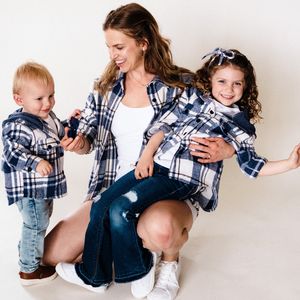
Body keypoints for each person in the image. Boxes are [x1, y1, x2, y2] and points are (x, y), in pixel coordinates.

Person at [54, 48, 300, 299]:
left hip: (183, 178)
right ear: (210, 81)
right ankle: (95, 276)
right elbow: (163, 125)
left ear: (245, 87)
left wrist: (289, 164)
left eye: (237, 83)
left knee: (122, 209)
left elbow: (252, 166)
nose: (229, 89)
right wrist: (147, 155)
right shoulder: (193, 97)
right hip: (156, 165)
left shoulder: (239, 124)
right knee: (103, 204)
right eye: (222, 81)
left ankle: (139, 268)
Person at [42, 3, 235, 299]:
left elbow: (222, 120)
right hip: (113, 187)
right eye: (108, 47)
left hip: (164, 190)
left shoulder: (182, 86)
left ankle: (167, 262)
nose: (112, 55)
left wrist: (228, 149)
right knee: (53, 254)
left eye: (119, 46)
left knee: (161, 230)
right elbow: (88, 139)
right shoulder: (104, 87)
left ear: (143, 43)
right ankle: (115, 259)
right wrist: (78, 143)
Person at [1, 61, 67, 285]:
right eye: (39, 99)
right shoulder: (18, 125)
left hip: (44, 188)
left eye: (51, 95)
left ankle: (26, 253)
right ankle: (29, 271)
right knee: (36, 225)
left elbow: (57, 133)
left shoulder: (47, 116)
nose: (47, 103)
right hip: (30, 190)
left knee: (39, 221)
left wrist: (72, 123)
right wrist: (36, 162)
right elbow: (12, 152)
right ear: (20, 100)